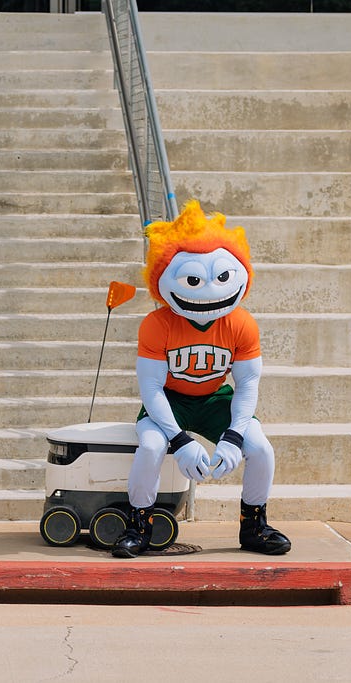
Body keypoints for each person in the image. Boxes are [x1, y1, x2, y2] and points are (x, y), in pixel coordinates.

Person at [112, 201, 291, 559]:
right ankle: (139, 523)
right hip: (169, 400)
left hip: (214, 400)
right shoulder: (157, 323)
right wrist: (179, 441)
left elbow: (248, 384)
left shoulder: (241, 323)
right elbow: (149, 388)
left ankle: (254, 524)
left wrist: (234, 434)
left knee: (261, 449)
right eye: (193, 279)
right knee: (150, 447)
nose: (209, 288)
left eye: (221, 276)